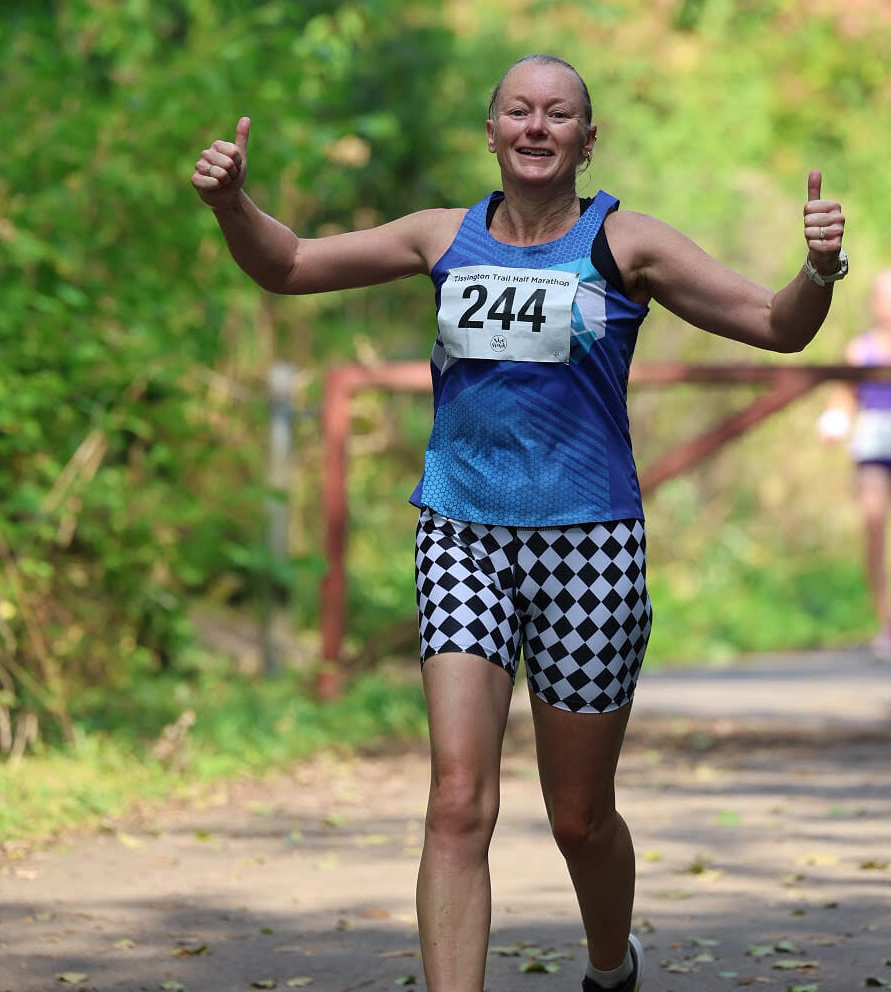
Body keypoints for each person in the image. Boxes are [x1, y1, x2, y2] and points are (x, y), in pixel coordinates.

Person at [192, 53, 847, 992]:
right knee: (458, 799)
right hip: (461, 535)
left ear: (588, 139)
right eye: (518, 111)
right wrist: (232, 206)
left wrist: (819, 269)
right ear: (492, 132)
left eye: (559, 114)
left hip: (590, 550)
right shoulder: (439, 237)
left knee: (578, 815)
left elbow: (778, 324)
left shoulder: (629, 246)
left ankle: (612, 966)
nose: (536, 127)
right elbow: (289, 265)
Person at [818, 271, 891, 656]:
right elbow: (844, 397)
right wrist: (836, 420)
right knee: (874, 523)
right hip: (874, 443)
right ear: (875, 304)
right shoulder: (859, 349)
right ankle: (886, 622)